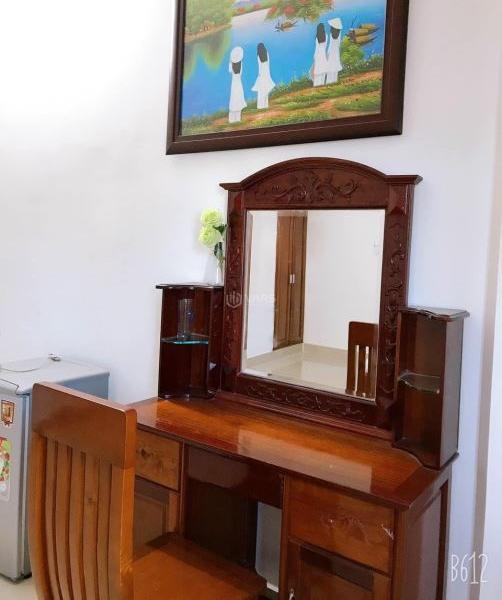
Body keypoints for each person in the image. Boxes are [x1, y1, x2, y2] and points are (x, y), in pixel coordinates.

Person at [252, 43, 276, 110]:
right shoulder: (266, 53)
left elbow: (259, 66)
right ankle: (265, 105)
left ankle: (260, 106)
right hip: (267, 73)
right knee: (265, 89)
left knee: (261, 90)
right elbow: (268, 64)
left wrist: (259, 75)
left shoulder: (258, 56)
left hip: (261, 74)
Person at [228, 46, 247, 124]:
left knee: (233, 99)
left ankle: (232, 120)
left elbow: (230, 71)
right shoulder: (241, 64)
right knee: (239, 98)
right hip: (239, 83)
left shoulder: (231, 64)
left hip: (234, 84)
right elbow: (240, 73)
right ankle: (238, 119)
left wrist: (230, 61)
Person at [326, 18, 343, 84]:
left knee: (331, 67)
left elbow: (332, 43)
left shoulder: (335, 33)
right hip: (334, 52)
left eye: (332, 27)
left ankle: (330, 82)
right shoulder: (337, 32)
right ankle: (332, 82)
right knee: (333, 68)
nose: (330, 28)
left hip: (332, 52)